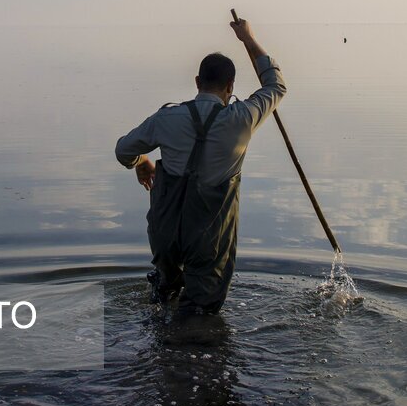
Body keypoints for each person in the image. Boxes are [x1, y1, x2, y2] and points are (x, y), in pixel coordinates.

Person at [115, 18, 286, 314]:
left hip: (165, 236)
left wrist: (140, 162)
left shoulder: (166, 118)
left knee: (163, 300)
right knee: (199, 317)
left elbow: (123, 150)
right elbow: (276, 84)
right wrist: (247, 38)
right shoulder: (242, 118)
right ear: (230, 86)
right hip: (209, 238)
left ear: (197, 82)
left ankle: (161, 350)